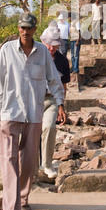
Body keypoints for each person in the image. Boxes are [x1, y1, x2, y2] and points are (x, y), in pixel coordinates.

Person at [0, 13, 65, 210]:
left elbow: (53, 80)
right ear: (18, 28)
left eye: (29, 28)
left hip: (34, 113)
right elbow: (1, 81)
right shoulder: (7, 50)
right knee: (8, 159)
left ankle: (23, 197)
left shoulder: (42, 52)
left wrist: (60, 103)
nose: (25, 31)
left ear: (34, 30)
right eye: (22, 28)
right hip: (9, 111)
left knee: (29, 160)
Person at [40, 28, 70, 179]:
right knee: (31, 132)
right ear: (43, 42)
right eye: (49, 45)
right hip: (34, 99)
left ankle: (47, 165)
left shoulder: (62, 61)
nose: (52, 48)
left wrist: (61, 106)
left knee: (49, 127)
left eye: (55, 45)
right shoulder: (34, 55)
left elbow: (63, 87)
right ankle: (31, 165)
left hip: (52, 99)